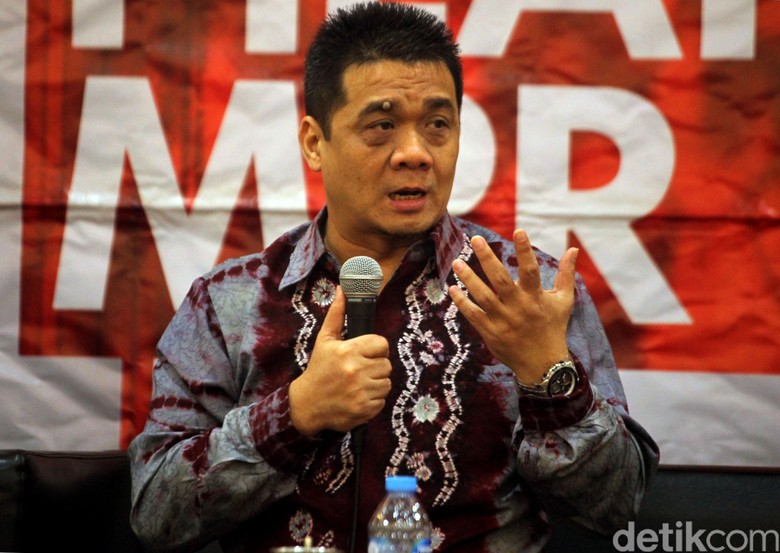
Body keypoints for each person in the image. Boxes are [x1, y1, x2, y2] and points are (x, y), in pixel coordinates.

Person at [128, 3, 659, 552]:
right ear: (314, 142)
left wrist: (549, 376)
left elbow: (616, 505)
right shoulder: (231, 302)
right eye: (381, 126)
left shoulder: (528, 294)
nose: (415, 153)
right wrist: (295, 414)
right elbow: (157, 515)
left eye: (437, 125)